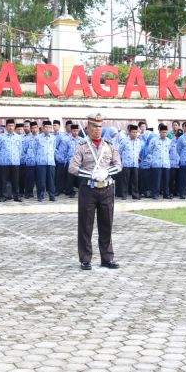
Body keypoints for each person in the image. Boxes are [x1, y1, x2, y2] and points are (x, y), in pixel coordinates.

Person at [69, 113, 122, 270]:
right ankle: (85, 259)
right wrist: (90, 174)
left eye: (100, 126)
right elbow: (72, 167)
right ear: (88, 128)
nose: (97, 130)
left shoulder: (109, 145)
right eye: (94, 126)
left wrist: (107, 172)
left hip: (106, 188)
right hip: (89, 188)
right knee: (86, 225)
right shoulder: (82, 146)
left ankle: (107, 258)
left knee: (106, 224)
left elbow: (119, 165)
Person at [33, 120, 56, 202]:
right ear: (42, 128)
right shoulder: (37, 138)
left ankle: (52, 196)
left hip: (50, 162)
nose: (47, 129)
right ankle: (40, 196)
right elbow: (34, 150)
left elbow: (54, 148)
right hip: (40, 162)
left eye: (49, 127)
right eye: (46, 127)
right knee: (41, 181)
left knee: (51, 181)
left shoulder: (53, 138)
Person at [146, 124, 171, 200]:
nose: (164, 134)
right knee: (156, 180)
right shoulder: (154, 140)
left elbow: (169, 151)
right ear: (159, 132)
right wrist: (151, 162)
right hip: (156, 163)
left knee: (166, 180)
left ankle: (166, 194)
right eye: (163, 132)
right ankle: (155, 194)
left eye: (166, 132)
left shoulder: (169, 141)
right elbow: (149, 151)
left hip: (166, 163)